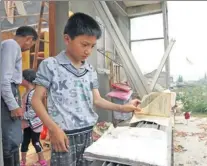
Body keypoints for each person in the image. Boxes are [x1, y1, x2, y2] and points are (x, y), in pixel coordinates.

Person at [32, 12, 141, 166]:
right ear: (67, 39)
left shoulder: (89, 69)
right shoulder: (51, 65)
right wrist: (53, 129)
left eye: (92, 46)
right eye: (84, 44)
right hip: (64, 134)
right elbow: (36, 100)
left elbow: (97, 100)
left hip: (87, 133)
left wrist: (123, 108)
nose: (88, 51)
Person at [0, 26, 38, 166]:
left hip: (11, 91)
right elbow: (4, 80)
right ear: (28, 39)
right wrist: (13, 105)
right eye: (32, 45)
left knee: (14, 137)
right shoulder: (12, 45)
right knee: (10, 139)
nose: (29, 48)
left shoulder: (8, 46)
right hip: (7, 94)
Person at [20, 69, 47, 166]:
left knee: (36, 141)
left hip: (34, 123)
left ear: (27, 79)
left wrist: (22, 116)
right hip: (27, 123)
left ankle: (42, 161)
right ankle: (23, 161)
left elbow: (34, 110)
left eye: (21, 77)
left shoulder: (32, 93)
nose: (20, 79)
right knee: (24, 142)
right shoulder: (26, 92)